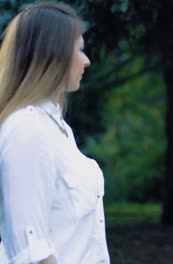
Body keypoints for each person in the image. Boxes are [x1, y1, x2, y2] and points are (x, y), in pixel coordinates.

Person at [0, 2, 110, 263]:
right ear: (54, 55)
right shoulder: (27, 132)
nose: (87, 60)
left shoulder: (56, 130)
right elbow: (32, 251)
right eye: (79, 50)